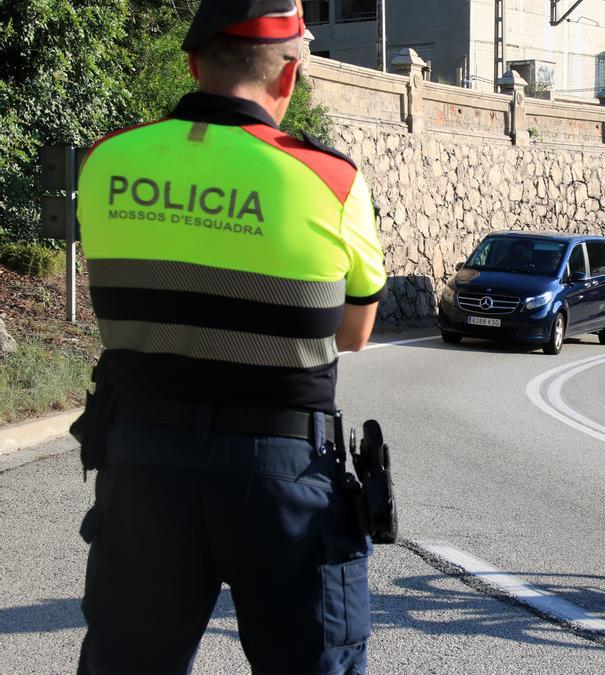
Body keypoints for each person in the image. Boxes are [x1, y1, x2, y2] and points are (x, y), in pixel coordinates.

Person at [73, 1, 386, 672]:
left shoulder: (105, 161)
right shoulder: (332, 181)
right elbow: (355, 331)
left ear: (192, 62)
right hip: (282, 476)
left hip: (141, 465)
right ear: (290, 76)